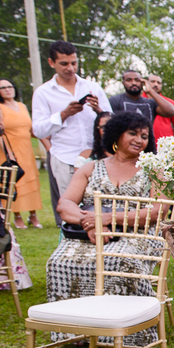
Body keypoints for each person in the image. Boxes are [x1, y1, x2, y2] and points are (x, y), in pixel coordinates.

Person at [44, 111, 161, 346]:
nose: (139, 139)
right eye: (133, 133)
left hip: (137, 235)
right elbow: (65, 205)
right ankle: (75, 333)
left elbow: (156, 212)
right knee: (59, 261)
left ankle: (129, 333)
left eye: (144, 136)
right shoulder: (90, 168)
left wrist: (107, 219)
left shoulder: (154, 170)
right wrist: (95, 223)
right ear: (116, 134)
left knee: (120, 259)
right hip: (88, 234)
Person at [31, 41, 112, 225]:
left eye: (74, 63)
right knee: (70, 208)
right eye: (64, 64)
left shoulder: (92, 87)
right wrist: (64, 114)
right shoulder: (43, 92)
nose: (71, 68)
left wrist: (99, 110)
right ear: (52, 63)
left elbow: (111, 120)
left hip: (96, 156)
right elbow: (38, 129)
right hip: (65, 156)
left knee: (100, 205)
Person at [0, 78, 42, 228]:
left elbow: (31, 129)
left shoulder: (22, 106)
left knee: (31, 180)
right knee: (14, 182)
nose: (8, 89)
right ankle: (17, 216)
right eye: (3, 88)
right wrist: (9, 153)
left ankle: (33, 216)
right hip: (9, 150)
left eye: (10, 86)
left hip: (27, 149)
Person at [108, 69, 174, 136]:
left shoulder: (150, 103)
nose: (134, 83)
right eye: (129, 80)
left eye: (137, 80)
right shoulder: (114, 100)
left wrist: (151, 91)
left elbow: (171, 111)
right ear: (123, 83)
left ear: (142, 82)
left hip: (147, 144)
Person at [144, 74, 174, 142]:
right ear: (146, 83)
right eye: (153, 81)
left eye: (159, 82)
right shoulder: (137, 101)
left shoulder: (170, 104)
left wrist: (167, 139)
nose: (156, 84)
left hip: (163, 148)